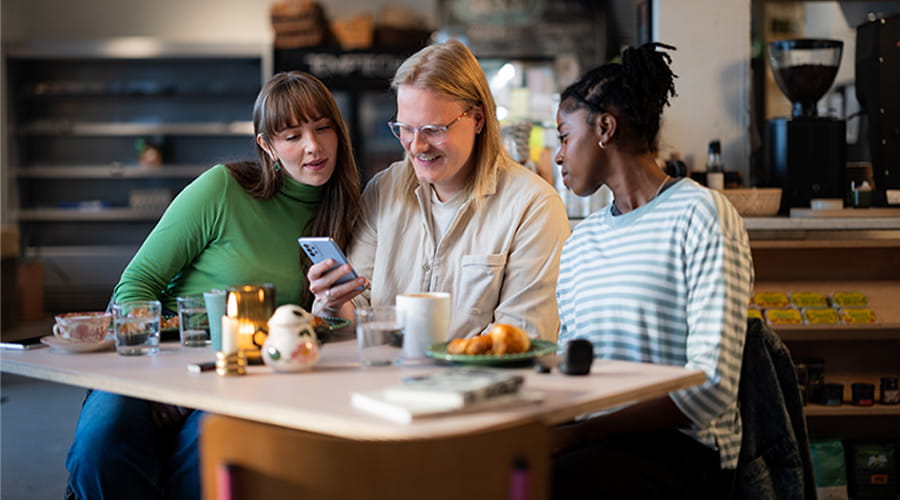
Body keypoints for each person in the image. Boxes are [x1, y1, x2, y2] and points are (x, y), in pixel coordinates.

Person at [65, 71, 363, 500]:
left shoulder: (350, 213)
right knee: (101, 446)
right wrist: (157, 377)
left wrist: (328, 310)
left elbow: (320, 332)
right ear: (268, 146)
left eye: (322, 128)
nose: (313, 147)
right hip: (154, 360)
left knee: (213, 454)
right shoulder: (223, 189)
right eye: (293, 135)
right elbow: (135, 285)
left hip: (243, 376)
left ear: (339, 131)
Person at [550, 43, 754, 499]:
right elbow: (572, 371)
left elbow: (711, 387)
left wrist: (580, 434)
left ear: (605, 127)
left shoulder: (701, 213)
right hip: (597, 447)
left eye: (564, 136)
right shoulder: (582, 240)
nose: (558, 155)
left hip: (681, 453)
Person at [305, 39, 570, 341]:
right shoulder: (383, 191)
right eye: (405, 128)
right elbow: (357, 312)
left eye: (433, 129)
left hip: (480, 387)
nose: (416, 146)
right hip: (383, 383)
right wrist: (333, 303)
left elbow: (523, 335)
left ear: (478, 119)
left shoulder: (533, 206)